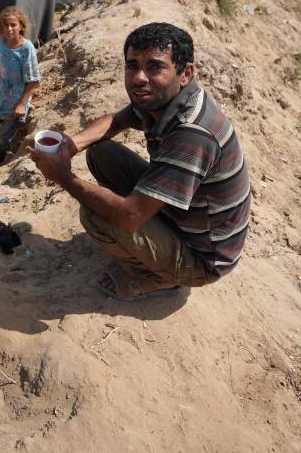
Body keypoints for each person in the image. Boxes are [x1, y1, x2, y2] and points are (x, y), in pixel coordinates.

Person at [29, 23, 251, 301]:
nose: (139, 78)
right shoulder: (167, 98)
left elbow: (129, 215)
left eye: (154, 67)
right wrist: (71, 145)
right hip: (184, 215)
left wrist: (62, 176)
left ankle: (161, 277)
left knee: (97, 216)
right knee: (101, 152)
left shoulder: (192, 134)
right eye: (132, 65)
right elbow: (117, 120)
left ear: (186, 73)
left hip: (204, 256)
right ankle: (153, 241)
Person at [0, 6, 41, 169]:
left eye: (13, 25)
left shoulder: (27, 49)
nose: (8, 29)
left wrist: (21, 105)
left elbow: (34, 80)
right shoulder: (1, 41)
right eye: (4, 26)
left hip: (16, 100)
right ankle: (7, 122)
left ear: (21, 26)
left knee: (4, 137)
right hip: (0, 96)